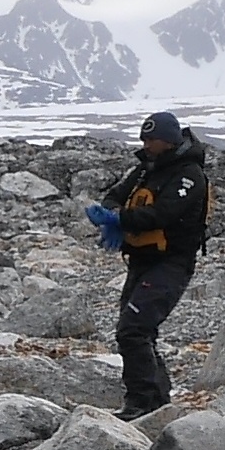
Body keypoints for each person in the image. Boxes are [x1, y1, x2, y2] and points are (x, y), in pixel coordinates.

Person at [85, 112, 211, 416]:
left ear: (169, 140)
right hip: (141, 260)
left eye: (151, 139)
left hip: (172, 262)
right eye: (144, 139)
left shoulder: (189, 175)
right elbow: (115, 195)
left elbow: (162, 214)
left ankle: (141, 402)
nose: (146, 145)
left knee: (133, 330)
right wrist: (110, 215)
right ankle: (158, 402)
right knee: (140, 330)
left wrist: (120, 219)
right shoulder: (145, 169)